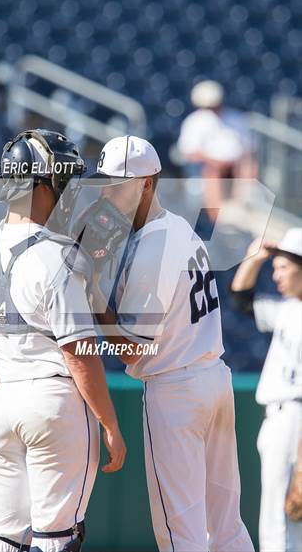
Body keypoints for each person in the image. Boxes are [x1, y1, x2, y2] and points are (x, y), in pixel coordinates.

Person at [81, 135, 254, 552]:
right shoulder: (179, 227)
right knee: (226, 526)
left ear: (147, 183)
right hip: (213, 379)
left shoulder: (151, 246)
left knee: (180, 533)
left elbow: (133, 350)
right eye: (104, 182)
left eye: (118, 183)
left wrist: (94, 297)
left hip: (175, 391)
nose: (108, 191)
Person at [0, 129, 126, 552]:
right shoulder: (59, 254)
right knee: (56, 539)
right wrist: (110, 425)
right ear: (41, 184)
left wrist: (13, 403)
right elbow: (79, 355)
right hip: (54, 401)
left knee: (5, 537)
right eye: (63, 180)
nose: (68, 190)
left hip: (0, 405)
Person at [230, 228, 302, 552]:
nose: (276, 274)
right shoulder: (289, 309)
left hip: (293, 419)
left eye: (283, 267)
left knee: (278, 524)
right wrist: (255, 258)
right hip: (283, 418)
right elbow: (241, 299)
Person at [177, 80, 256, 221]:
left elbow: (247, 148)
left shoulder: (235, 118)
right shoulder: (194, 121)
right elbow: (189, 153)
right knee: (212, 171)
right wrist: (215, 161)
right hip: (209, 167)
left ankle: (245, 208)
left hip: (235, 166)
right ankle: (217, 218)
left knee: (248, 165)